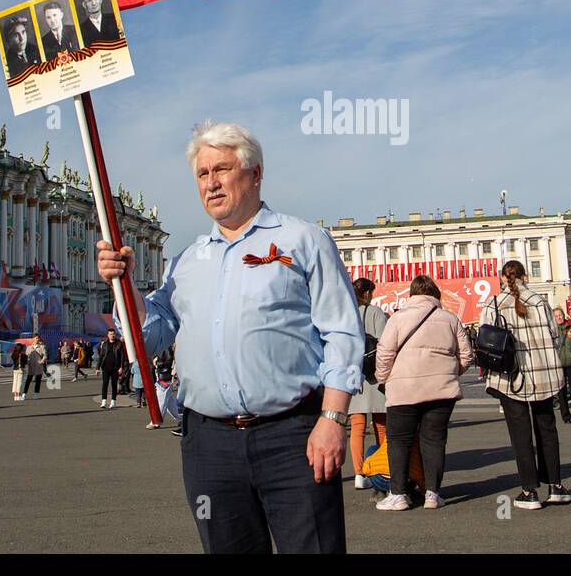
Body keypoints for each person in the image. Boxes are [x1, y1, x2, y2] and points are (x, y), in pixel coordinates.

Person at [96, 121, 363, 553]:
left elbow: (342, 332)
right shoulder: (186, 262)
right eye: (202, 174)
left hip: (293, 436)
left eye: (221, 169)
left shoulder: (303, 240)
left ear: (255, 173)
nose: (211, 183)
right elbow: (148, 340)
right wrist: (125, 289)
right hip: (209, 446)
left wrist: (331, 421)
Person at [478, 260, 571, 510]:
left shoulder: (494, 303)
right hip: (543, 373)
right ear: (525, 276)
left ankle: (529, 491)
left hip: (512, 377)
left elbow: (485, 338)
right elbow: (554, 334)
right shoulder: (541, 302)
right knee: (547, 430)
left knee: (520, 434)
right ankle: (556, 486)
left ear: (501, 278)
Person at [373, 275, 473, 511]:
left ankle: (398, 494)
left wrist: (384, 379)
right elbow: (467, 355)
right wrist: (449, 372)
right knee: (434, 440)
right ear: (435, 294)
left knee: (399, 441)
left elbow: (384, 354)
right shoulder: (450, 319)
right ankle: (432, 493)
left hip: (403, 389)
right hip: (442, 390)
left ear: (411, 294)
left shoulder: (397, 318)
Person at [349, 277, 389, 490]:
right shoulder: (375, 313)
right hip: (374, 375)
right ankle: (383, 469)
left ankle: (358, 473)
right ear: (366, 294)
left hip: (354, 374)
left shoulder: (346, 314)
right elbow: (385, 344)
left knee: (357, 426)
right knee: (381, 424)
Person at [97, 327, 128, 409]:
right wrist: (97, 368)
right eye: (110, 334)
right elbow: (101, 356)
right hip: (105, 367)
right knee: (105, 384)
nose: (112, 336)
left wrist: (121, 367)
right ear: (108, 335)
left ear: (115, 334)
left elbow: (122, 356)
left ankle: (113, 401)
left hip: (115, 368)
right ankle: (103, 401)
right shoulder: (105, 344)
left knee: (114, 384)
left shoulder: (119, 344)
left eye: (113, 334)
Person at [24, 334, 48, 400]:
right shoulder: (29, 347)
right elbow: (26, 356)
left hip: (39, 366)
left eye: (38, 338)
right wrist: (27, 360)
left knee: (38, 381)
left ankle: (36, 394)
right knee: (28, 380)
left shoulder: (42, 347)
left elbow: (45, 355)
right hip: (31, 366)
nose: (38, 339)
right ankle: (24, 394)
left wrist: (41, 361)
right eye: (36, 338)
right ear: (33, 339)